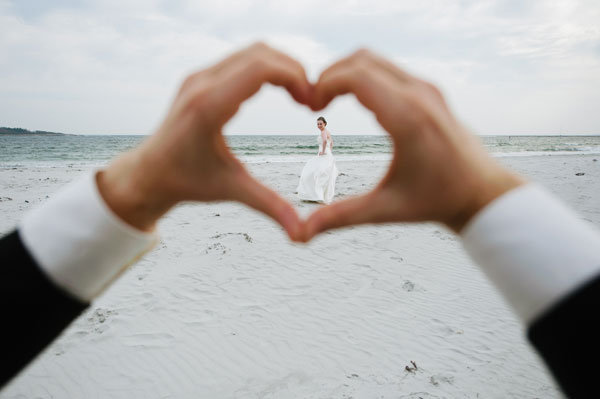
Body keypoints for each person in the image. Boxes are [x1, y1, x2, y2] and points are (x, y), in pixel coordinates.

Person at [0, 43, 599, 398]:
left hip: (322, 162)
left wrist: (127, 193)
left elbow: (325, 144)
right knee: (320, 178)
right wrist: (483, 197)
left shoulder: (325, 133)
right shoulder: (325, 132)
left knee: (320, 176)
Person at [296, 116, 339, 203]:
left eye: (320, 124)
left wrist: (323, 152)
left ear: (325, 124)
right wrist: (329, 151)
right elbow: (331, 142)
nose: (319, 125)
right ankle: (321, 195)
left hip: (323, 154)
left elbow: (325, 142)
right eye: (318, 124)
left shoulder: (323, 132)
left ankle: (316, 195)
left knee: (311, 173)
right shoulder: (327, 132)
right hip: (328, 154)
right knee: (323, 175)